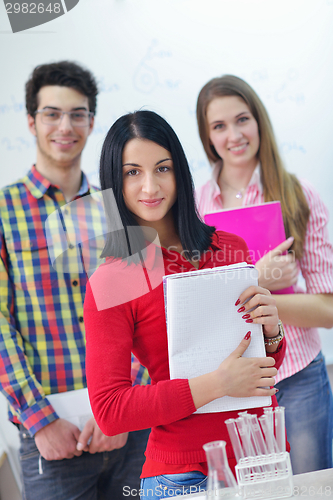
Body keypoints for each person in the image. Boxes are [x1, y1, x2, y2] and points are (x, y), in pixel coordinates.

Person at [84, 110, 286, 500]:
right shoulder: (111, 281)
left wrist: (273, 331)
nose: (150, 186)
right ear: (114, 183)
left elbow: (262, 366)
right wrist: (217, 384)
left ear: (179, 171)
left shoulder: (230, 248)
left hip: (263, 455)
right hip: (183, 477)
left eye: (162, 168)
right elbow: (110, 411)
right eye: (132, 173)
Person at [0, 61, 150, 500]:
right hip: (52, 439)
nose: (65, 126)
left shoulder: (118, 209)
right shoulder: (4, 212)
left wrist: (125, 409)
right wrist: (39, 418)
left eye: (77, 114)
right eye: (51, 113)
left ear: (91, 121)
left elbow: (147, 311)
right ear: (31, 120)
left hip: (130, 433)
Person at [195, 74, 333, 474]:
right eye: (219, 126)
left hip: (299, 378)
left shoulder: (298, 193)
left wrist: (259, 296)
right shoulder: (196, 207)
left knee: (313, 491)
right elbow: (198, 309)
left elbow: (327, 309)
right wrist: (256, 279)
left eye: (242, 119)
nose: (234, 134)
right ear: (208, 137)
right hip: (233, 384)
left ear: (259, 122)